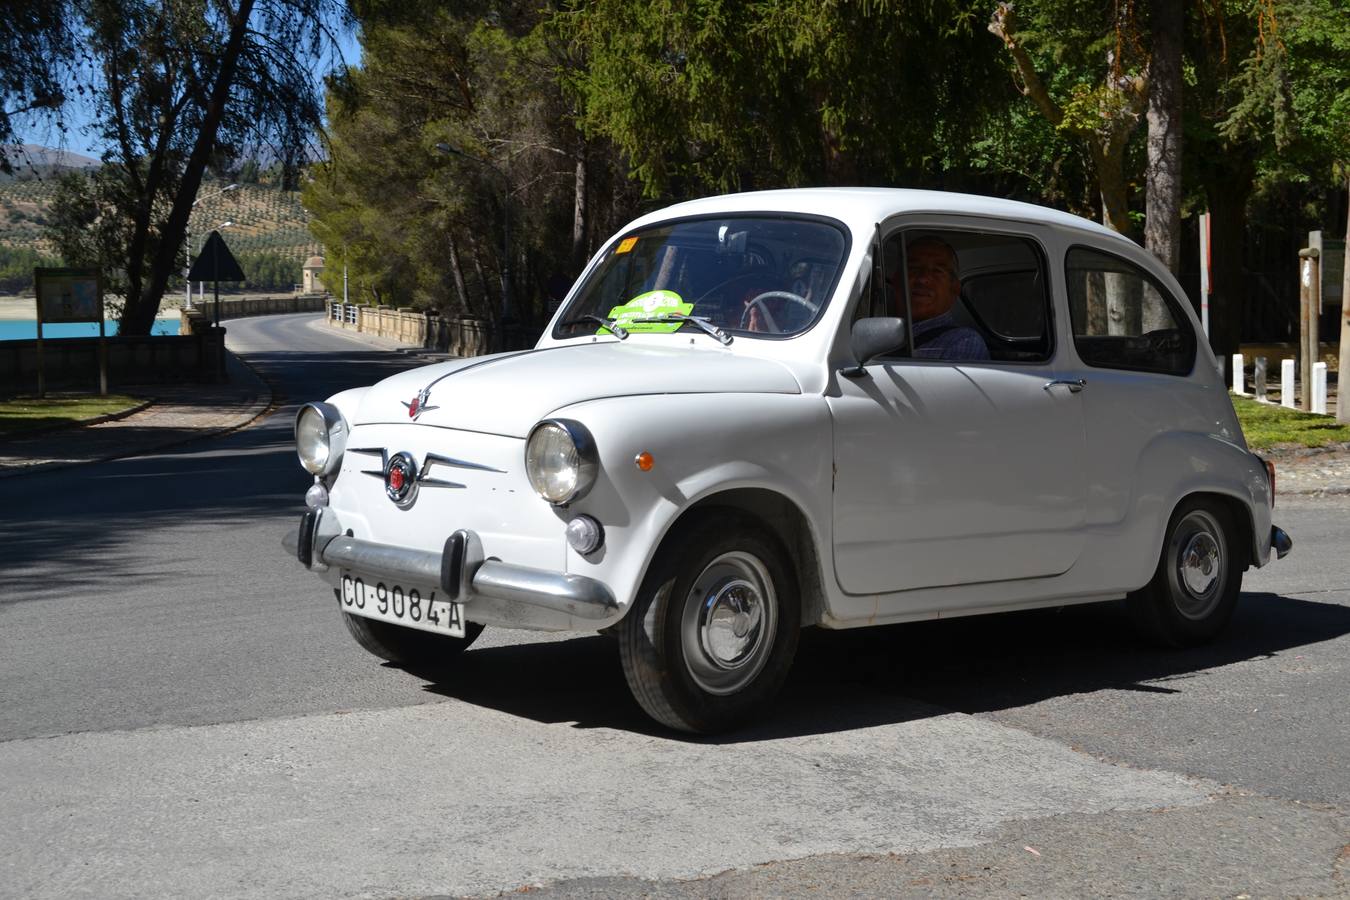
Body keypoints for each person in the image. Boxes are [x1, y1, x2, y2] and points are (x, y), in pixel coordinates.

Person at [894, 236, 989, 361]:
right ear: (896, 281)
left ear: (954, 289)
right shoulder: (882, 337)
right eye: (913, 268)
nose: (923, 279)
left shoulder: (962, 341)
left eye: (937, 271)